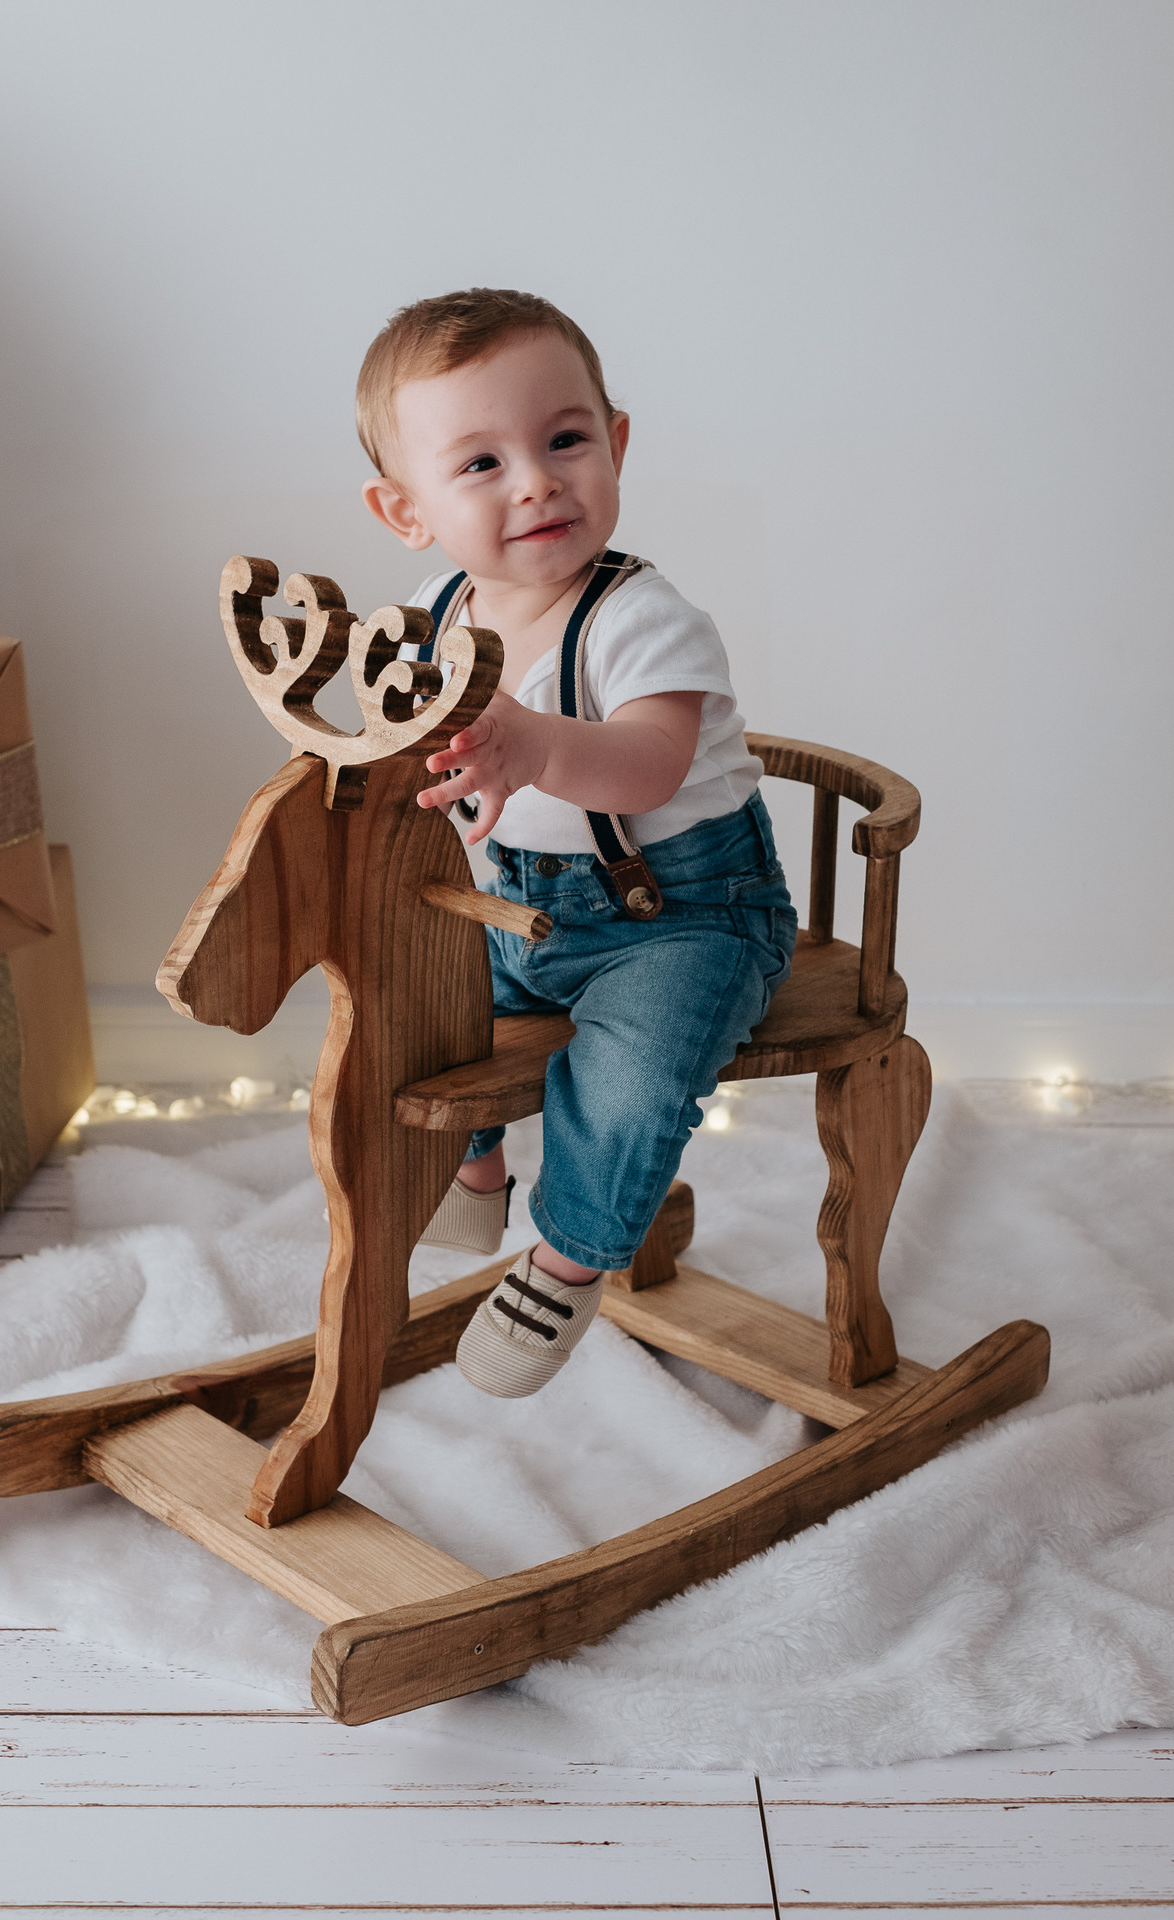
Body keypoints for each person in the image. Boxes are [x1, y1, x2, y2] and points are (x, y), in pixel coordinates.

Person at [357, 288, 796, 1398]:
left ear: (616, 445)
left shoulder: (641, 617)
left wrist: (534, 743)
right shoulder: (437, 612)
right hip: (519, 904)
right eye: (480, 463)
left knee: (629, 1081)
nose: (537, 482)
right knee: (407, 998)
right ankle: (474, 1170)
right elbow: (415, 743)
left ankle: (567, 1260)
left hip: (682, 918)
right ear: (406, 512)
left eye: (564, 440)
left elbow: (648, 764)